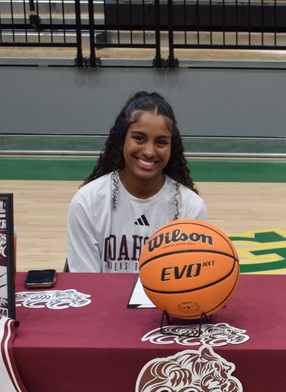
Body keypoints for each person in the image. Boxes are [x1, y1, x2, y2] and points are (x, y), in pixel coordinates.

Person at [66, 91, 206, 273]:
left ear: (172, 148)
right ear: (122, 140)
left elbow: (191, 283)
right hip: (103, 301)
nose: (149, 151)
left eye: (161, 142)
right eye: (139, 138)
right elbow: (85, 286)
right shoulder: (87, 202)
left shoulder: (190, 207)